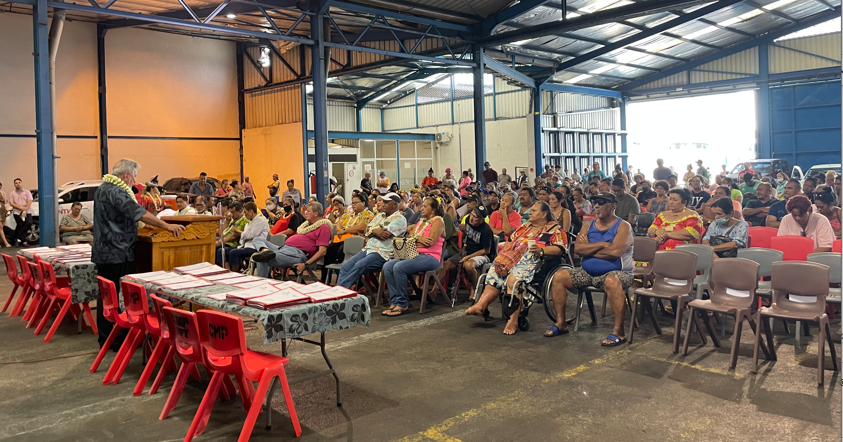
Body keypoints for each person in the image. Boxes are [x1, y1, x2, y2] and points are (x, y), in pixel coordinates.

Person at [93, 159, 185, 349]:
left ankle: (106, 338)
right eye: (134, 177)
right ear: (126, 175)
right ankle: (119, 340)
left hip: (103, 251)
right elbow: (138, 212)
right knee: (121, 297)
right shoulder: (117, 191)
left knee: (106, 297)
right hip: (118, 251)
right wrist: (166, 225)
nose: (135, 181)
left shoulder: (102, 188)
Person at [465, 202, 568, 335]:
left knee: (513, 279)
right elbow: (511, 240)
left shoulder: (554, 230)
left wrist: (541, 250)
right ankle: (481, 304)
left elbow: (560, 248)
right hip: (512, 259)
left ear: (544, 214)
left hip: (534, 263)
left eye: (534, 211)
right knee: (494, 271)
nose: (530, 212)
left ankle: (513, 320)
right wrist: (503, 255)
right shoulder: (524, 227)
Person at [546, 192, 633, 345]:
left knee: (612, 281)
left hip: (618, 273)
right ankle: (561, 323)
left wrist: (590, 248)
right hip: (587, 273)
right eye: (594, 202)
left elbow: (616, 252)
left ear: (613, 206)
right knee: (559, 276)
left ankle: (619, 332)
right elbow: (578, 249)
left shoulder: (623, 226)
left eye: (601, 202)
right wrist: (603, 244)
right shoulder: (588, 225)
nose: (596, 205)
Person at [381, 197, 446, 316]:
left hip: (430, 257)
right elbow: (410, 239)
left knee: (399, 267)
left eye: (425, 206)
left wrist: (414, 240)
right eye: (423, 206)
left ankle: (402, 303)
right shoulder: (421, 222)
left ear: (433, 210)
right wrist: (418, 239)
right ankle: (395, 301)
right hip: (414, 254)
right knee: (387, 266)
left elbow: (430, 242)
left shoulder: (438, 221)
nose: (422, 208)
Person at [336, 193, 408, 289]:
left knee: (359, 266)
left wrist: (372, 230)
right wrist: (375, 230)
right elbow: (366, 230)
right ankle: (340, 291)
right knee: (346, 267)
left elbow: (385, 235)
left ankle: (339, 290)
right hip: (369, 249)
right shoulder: (380, 216)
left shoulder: (400, 219)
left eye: (386, 202)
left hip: (383, 253)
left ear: (394, 204)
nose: (383, 204)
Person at [251, 201, 331, 278]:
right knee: (257, 239)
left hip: (297, 253)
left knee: (263, 259)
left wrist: (305, 264)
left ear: (316, 213)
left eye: (308, 211)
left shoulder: (323, 227)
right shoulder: (306, 226)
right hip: (282, 248)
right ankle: (265, 250)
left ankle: (262, 286)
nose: (305, 212)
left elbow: (322, 251)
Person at [437, 205, 494, 296]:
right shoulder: (468, 220)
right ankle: (434, 291)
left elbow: (486, 251)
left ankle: (475, 288)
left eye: (475, 217)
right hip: (468, 250)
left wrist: (468, 257)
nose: (471, 218)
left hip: (482, 254)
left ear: (482, 220)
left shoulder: (486, 230)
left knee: (469, 265)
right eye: (472, 215)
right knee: (446, 265)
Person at [324, 194, 375, 272]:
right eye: (352, 203)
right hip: (343, 238)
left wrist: (344, 230)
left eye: (355, 203)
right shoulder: (349, 214)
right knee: (328, 250)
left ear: (363, 203)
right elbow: (339, 223)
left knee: (341, 252)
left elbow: (361, 227)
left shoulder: (368, 214)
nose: (353, 205)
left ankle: (344, 276)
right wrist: (339, 231)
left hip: (356, 241)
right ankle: (324, 280)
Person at [225, 202, 268, 271]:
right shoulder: (249, 223)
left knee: (233, 253)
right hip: (245, 245)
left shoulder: (260, 220)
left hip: (254, 247)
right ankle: (227, 270)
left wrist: (240, 232)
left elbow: (251, 235)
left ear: (251, 211)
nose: (244, 215)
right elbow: (244, 237)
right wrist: (244, 235)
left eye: (245, 212)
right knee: (223, 251)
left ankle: (235, 273)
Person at [8, 178, 34, 246]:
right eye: (16, 183)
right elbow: (11, 203)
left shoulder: (27, 192)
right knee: (21, 225)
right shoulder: (12, 193)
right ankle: (24, 241)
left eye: (19, 182)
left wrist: (25, 209)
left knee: (29, 223)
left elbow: (30, 201)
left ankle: (18, 239)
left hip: (27, 211)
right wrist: (21, 208)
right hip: (17, 212)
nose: (18, 184)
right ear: (14, 184)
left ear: (21, 183)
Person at [0, 182, 10, 248]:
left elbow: (5, 201)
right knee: (0, 227)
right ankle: (6, 242)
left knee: (1, 227)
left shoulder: (3, 193)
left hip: (2, 210)